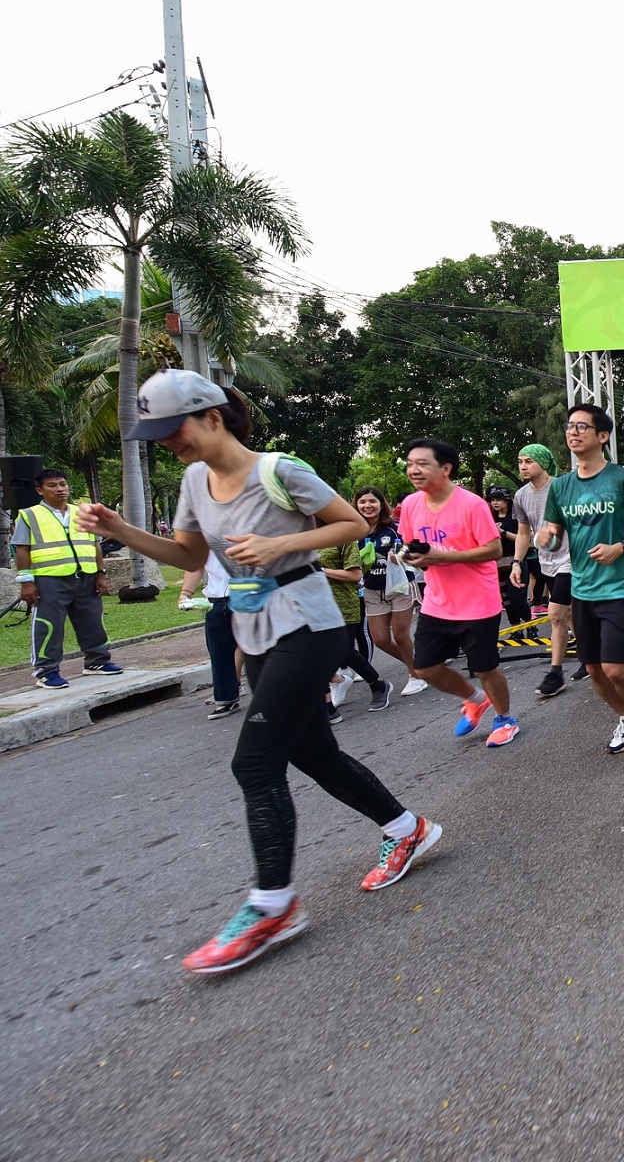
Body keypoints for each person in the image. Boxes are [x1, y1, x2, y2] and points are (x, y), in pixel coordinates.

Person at [79, 369, 440, 973]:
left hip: (309, 626)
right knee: (314, 753)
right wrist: (122, 531)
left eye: (174, 430)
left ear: (211, 417)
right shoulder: (193, 480)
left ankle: (274, 905)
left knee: (254, 762)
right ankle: (409, 829)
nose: (168, 443)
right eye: (158, 435)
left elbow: (352, 524)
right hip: (257, 633)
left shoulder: (279, 470)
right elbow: (189, 554)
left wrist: (279, 546)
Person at [540, 404, 624, 758]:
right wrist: (546, 538)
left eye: (582, 426)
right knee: (594, 669)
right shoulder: (561, 487)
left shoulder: (622, 480)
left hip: (622, 586)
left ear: (603, 436)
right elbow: (553, 533)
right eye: (570, 426)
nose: (573, 432)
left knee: (615, 667)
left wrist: (620, 548)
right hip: (582, 589)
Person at [396, 438, 519, 747]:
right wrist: (410, 556)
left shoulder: (472, 504)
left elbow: (493, 550)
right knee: (425, 667)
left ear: (446, 468)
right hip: (437, 601)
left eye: (422, 464)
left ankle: (505, 719)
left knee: (484, 667)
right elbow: (410, 544)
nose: (414, 470)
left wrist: (442, 556)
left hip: (478, 602)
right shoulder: (410, 504)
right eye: (410, 464)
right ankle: (475, 699)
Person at [14, 468, 122, 688]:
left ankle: (97, 661)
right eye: (52, 485)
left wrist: (101, 574)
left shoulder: (81, 512)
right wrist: (26, 582)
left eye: (62, 484)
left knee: (92, 621)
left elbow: (95, 545)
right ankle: (46, 671)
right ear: (40, 490)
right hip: (49, 579)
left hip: (86, 577)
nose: (60, 489)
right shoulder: (29, 515)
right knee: (49, 625)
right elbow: (22, 549)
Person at [510, 444, 575, 700]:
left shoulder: (562, 487)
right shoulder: (521, 496)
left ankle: (555, 673)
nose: (523, 466)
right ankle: (590, 656)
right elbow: (523, 533)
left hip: (571, 558)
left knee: (556, 614)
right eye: (520, 461)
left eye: (529, 461)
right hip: (546, 561)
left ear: (543, 462)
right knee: (570, 614)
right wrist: (517, 562)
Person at [353, 487, 426, 696]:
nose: (367, 506)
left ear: (381, 504)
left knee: (401, 635)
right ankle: (420, 663)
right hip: (372, 590)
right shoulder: (353, 531)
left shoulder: (393, 528)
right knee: (381, 639)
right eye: (362, 502)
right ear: (356, 505)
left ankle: (416, 676)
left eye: (372, 501)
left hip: (399, 586)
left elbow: (412, 546)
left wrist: (400, 555)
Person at [321, 531, 391, 718]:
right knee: (316, 652)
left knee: (344, 651)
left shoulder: (343, 536)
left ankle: (378, 685)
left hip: (342, 603)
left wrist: (321, 571)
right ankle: (329, 705)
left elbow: (355, 574)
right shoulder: (303, 536)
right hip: (314, 604)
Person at [200, 551, 241, 720]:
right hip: (216, 599)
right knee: (218, 651)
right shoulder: (203, 541)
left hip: (246, 594)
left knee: (258, 646)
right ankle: (226, 697)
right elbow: (194, 564)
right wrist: (185, 592)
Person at [489, 487, 531, 628]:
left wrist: (502, 532)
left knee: (516, 596)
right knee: (506, 599)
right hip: (499, 563)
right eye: (493, 500)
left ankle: (530, 624)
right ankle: (515, 628)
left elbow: (525, 538)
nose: (495, 503)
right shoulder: (490, 517)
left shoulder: (516, 516)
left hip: (517, 560)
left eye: (498, 499)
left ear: (507, 500)